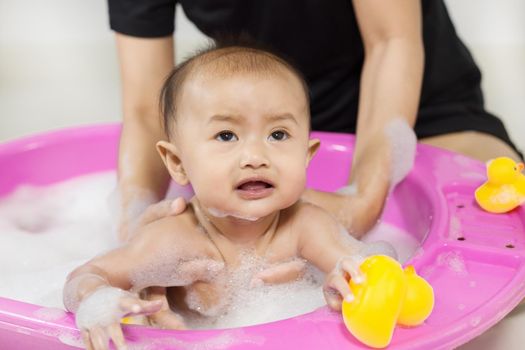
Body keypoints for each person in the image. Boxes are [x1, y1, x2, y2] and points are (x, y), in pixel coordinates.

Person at [63, 45, 396, 350]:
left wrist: (350, 281)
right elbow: (84, 277)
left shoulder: (306, 224)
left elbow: (370, 265)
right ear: (178, 164)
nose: (255, 156)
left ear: (306, 156)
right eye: (226, 135)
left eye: (277, 134)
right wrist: (100, 301)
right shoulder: (171, 240)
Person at [107, 0, 522, 243]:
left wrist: (363, 199)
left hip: (422, 113)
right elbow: (148, 109)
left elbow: (391, 41)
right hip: (262, 130)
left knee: (503, 235)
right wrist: (133, 231)